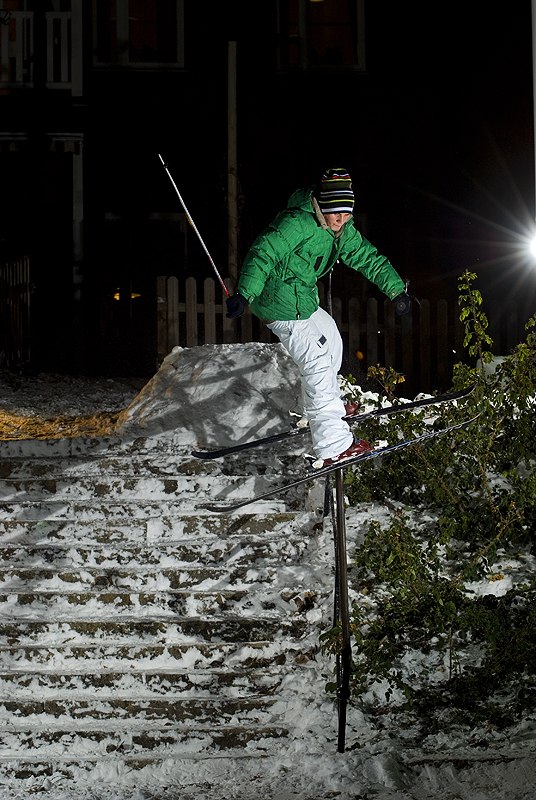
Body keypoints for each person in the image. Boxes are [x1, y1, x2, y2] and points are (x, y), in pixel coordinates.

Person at [226, 167, 411, 467]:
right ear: (322, 206)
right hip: (278, 303)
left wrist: (397, 291)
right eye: (336, 213)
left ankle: (312, 407)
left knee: (331, 340)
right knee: (316, 361)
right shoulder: (296, 222)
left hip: (302, 300)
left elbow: (367, 257)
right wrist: (244, 294)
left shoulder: (341, 230)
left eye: (347, 213)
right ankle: (332, 445)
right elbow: (263, 252)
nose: (341, 220)